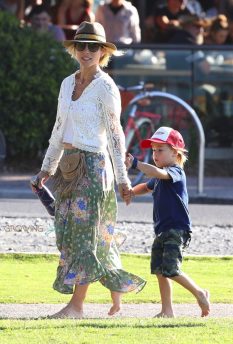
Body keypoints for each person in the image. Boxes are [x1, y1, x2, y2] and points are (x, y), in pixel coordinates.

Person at [32, 21, 146, 319]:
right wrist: (47, 168)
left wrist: (123, 179)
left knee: (83, 236)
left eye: (93, 47)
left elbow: (115, 135)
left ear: (103, 52)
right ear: (74, 49)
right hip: (68, 169)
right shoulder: (67, 83)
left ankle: (77, 307)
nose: (86, 52)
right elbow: (59, 128)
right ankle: (118, 294)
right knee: (72, 235)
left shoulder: (106, 87)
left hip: (95, 169)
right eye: (81, 46)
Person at [125, 126, 210, 318]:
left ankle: (199, 293)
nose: (155, 154)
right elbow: (146, 187)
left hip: (177, 229)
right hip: (162, 230)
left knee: (171, 269)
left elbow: (156, 174)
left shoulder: (175, 172)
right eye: (153, 150)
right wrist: (131, 192)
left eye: (160, 150)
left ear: (175, 152)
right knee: (160, 271)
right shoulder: (160, 175)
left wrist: (136, 163)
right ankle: (167, 311)